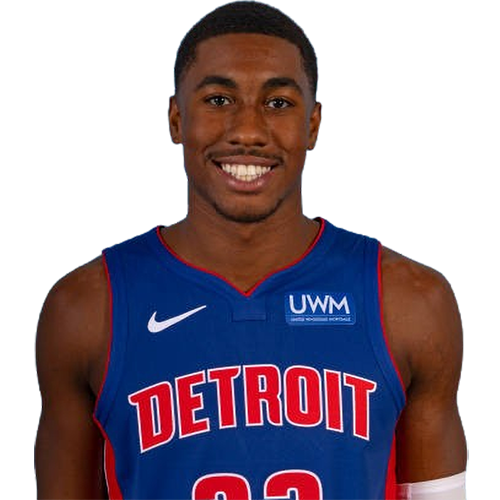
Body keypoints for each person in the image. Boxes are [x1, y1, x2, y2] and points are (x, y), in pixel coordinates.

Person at [34, 2, 467, 499]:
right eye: (218, 100)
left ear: (313, 126)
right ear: (177, 121)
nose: (247, 131)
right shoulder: (88, 308)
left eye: (278, 103)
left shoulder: (410, 302)